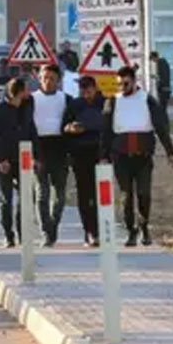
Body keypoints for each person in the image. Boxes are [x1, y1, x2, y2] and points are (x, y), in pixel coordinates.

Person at [101, 66, 173, 247]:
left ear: (134, 81)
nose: (122, 87)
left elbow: (160, 127)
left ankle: (144, 226)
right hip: (121, 156)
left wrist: (170, 151)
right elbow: (106, 132)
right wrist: (103, 155)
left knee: (144, 193)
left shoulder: (148, 100)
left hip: (143, 156)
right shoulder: (112, 102)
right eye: (119, 84)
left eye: (126, 83)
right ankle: (131, 230)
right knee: (126, 195)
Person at [0, 78, 35, 248]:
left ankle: (24, 234)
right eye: (25, 90)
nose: (28, 93)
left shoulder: (26, 108)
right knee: (6, 199)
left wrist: (36, 156)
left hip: (23, 160)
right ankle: (8, 235)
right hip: (4, 162)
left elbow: (31, 131)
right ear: (18, 92)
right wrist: (1, 159)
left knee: (26, 198)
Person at [30, 63, 72, 247]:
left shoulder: (66, 100)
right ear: (39, 78)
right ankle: (46, 232)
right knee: (41, 193)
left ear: (58, 80)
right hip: (39, 148)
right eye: (44, 78)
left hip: (59, 148)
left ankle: (53, 225)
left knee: (60, 195)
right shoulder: (31, 100)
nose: (48, 82)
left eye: (52, 79)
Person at [64, 76, 106, 247]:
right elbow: (64, 127)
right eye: (83, 89)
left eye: (89, 89)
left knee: (101, 195)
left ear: (95, 88)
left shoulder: (105, 103)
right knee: (84, 194)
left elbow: (111, 128)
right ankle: (89, 231)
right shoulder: (75, 104)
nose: (86, 93)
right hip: (80, 154)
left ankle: (101, 230)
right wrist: (71, 128)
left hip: (100, 153)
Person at [150, 51, 172, 117]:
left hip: (164, 89)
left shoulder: (161, 63)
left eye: (153, 59)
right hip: (165, 89)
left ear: (155, 57)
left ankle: (164, 122)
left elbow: (163, 77)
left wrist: (155, 77)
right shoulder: (163, 63)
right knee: (163, 108)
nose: (153, 61)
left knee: (162, 108)